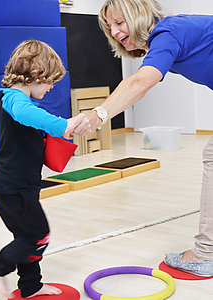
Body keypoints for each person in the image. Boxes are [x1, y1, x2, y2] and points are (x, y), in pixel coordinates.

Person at [65, 0, 213, 277]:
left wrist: (98, 114)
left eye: (120, 22)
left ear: (139, 15)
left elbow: (139, 82)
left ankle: (205, 255)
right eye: (109, 27)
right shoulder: (171, 33)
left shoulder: (168, 32)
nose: (115, 32)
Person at [0, 40, 82, 298]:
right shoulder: (14, 99)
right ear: (37, 74)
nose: (51, 88)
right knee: (38, 236)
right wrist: (64, 125)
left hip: (21, 185)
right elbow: (27, 114)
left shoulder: (19, 99)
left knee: (26, 237)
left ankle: (30, 287)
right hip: (13, 188)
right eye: (50, 81)